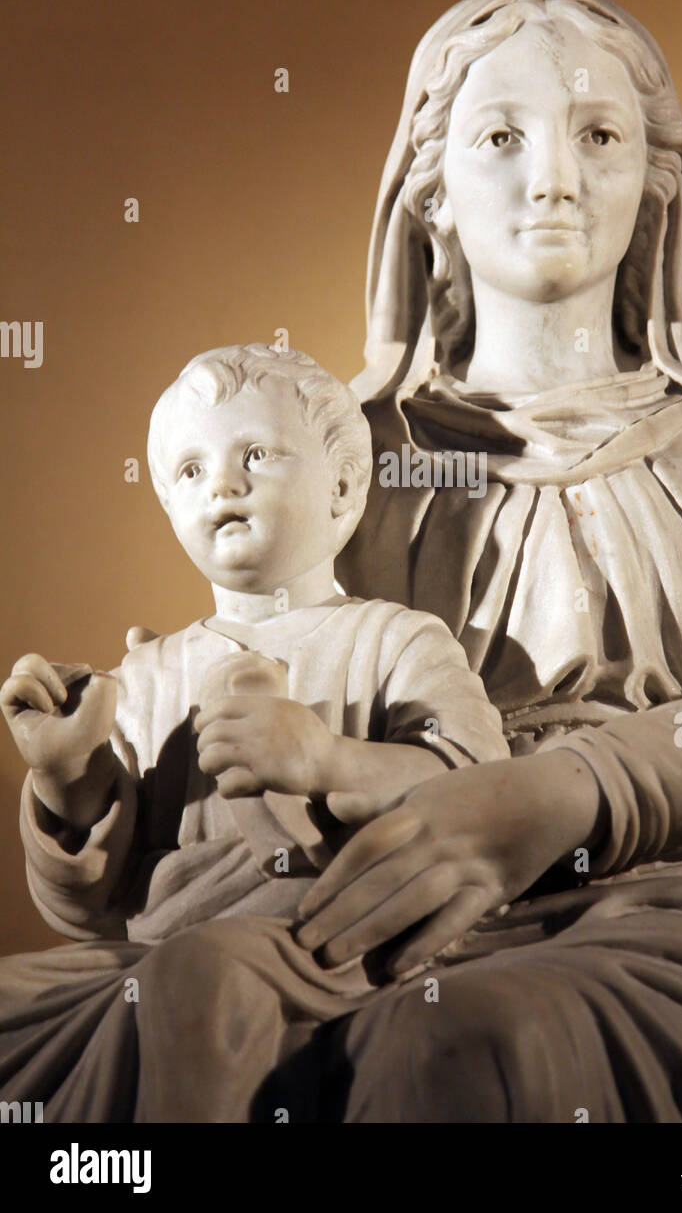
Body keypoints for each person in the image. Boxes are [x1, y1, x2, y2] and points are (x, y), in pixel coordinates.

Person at [286, 0, 682, 1122]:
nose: (551, 177)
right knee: (102, 1021)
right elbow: (237, 698)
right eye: (500, 136)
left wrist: (570, 792)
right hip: (389, 879)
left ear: (654, 186)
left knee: (463, 1042)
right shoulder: (339, 460)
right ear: (430, 190)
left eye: (598, 135)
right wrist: (83, 800)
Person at [0, 343, 507, 1121]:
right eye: (192, 472)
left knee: (201, 977)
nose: (223, 485)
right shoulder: (144, 676)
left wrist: (324, 758)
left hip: (327, 944)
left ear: (343, 487)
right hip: (153, 950)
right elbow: (89, 913)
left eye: (257, 455)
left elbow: (481, 792)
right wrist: (70, 780)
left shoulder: (396, 641)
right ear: (170, 507)